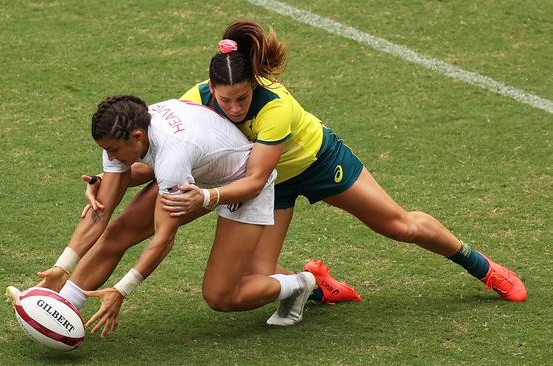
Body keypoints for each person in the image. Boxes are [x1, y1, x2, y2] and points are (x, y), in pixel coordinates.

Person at [84, 20, 526, 303]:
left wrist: (207, 195)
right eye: (226, 100)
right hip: (267, 184)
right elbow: (158, 160)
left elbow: (256, 177)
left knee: (398, 226)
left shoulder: (274, 107)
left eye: (242, 99)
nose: (234, 108)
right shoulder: (197, 99)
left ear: (254, 84)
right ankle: (312, 282)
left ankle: (482, 267)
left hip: (313, 165)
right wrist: (117, 176)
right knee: (250, 281)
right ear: (211, 89)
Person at [8, 95, 320, 337]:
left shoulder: (171, 155)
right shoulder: (119, 135)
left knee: (220, 295)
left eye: (115, 150)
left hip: (242, 184)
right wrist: (62, 266)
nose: (111, 157)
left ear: (137, 136)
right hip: (194, 174)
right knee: (118, 233)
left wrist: (121, 290)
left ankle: (299, 284)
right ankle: (65, 307)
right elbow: (100, 211)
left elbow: (163, 238)